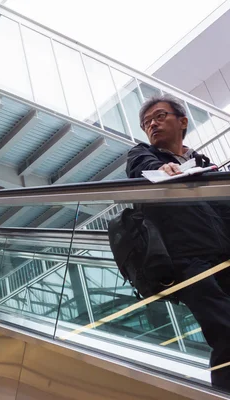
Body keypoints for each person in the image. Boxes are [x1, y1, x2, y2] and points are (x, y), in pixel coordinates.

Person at [126, 94, 230, 390]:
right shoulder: (143, 154)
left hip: (224, 254)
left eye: (159, 117)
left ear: (182, 121)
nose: (152, 125)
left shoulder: (205, 165)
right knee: (224, 330)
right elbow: (140, 166)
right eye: (146, 123)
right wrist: (160, 170)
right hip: (188, 259)